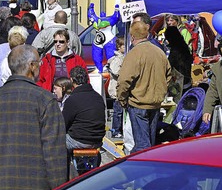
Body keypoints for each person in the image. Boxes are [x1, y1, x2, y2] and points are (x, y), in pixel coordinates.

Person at [0, 45, 68, 190]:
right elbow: (54, 155)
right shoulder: (45, 100)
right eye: (39, 63)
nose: (41, 66)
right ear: (32, 66)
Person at [117, 20, 172, 153]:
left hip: (138, 104)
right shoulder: (159, 53)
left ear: (132, 37)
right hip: (155, 103)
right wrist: (160, 93)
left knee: (142, 146)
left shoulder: (134, 54)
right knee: (148, 143)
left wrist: (122, 100)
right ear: (147, 35)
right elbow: (169, 76)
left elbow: (124, 81)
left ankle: (144, 170)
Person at [62, 67, 106, 151]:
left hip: (79, 140)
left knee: (55, 140)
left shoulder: (73, 99)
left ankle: (64, 164)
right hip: (97, 140)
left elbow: (64, 124)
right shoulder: (98, 97)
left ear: (71, 80)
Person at [106, 36, 125, 138]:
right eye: (123, 45)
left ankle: (119, 129)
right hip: (116, 89)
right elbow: (115, 71)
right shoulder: (117, 59)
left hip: (120, 89)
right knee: (118, 111)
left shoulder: (123, 57)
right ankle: (116, 130)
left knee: (121, 111)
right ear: (119, 47)